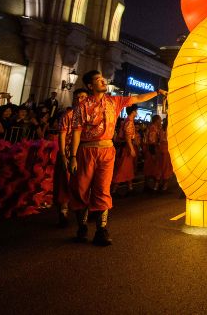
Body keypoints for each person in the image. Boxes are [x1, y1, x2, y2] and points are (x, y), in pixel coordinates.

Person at [67, 70, 166, 246]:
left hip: (107, 151)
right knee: (81, 189)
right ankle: (82, 226)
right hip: (86, 151)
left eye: (102, 78)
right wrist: (73, 156)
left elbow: (138, 99)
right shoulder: (82, 107)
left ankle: (101, 230)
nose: (103, 81)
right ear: (90, 86)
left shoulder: (114, 101)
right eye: (98, 80)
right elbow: (76, 132)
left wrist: (157, 93)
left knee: (103, 189)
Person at [55, 88, 88, 228]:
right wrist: (63, 155)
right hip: (68, 153)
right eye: (78, 97)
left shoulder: (89, 115)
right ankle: (63, 212)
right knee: (64, 183)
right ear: (74, 99)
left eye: (83, 97)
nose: (81, 100)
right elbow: (62, 136)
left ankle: (83, 214)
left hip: (83, 153)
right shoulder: (68, 115)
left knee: (82, 184)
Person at [111, 105, 139, 196]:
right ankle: (113, 190)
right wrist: (131, 149)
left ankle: (130, 188)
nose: (137, 113)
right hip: (126, 149)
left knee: (128, 168)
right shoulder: (129, 122)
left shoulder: (126, 121)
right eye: (136, 111)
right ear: (133, 112)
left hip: (124, 147)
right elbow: (127, 137)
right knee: (122, 169)